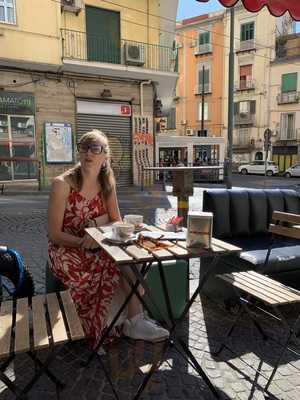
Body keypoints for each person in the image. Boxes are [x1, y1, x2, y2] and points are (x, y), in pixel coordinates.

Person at [48, 129, 169, 350]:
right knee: (109, 268)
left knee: (132, 261)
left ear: (105, 156)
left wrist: (97, 230)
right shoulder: (62, 183)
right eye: (84, 147)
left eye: (95, 148)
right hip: (67, 249)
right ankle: (112, 324)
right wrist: (84, 241)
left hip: (99, 244)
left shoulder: (107, 183)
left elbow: (116, 220)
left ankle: (135, 322)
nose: (88, 152)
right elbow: (54, 234)